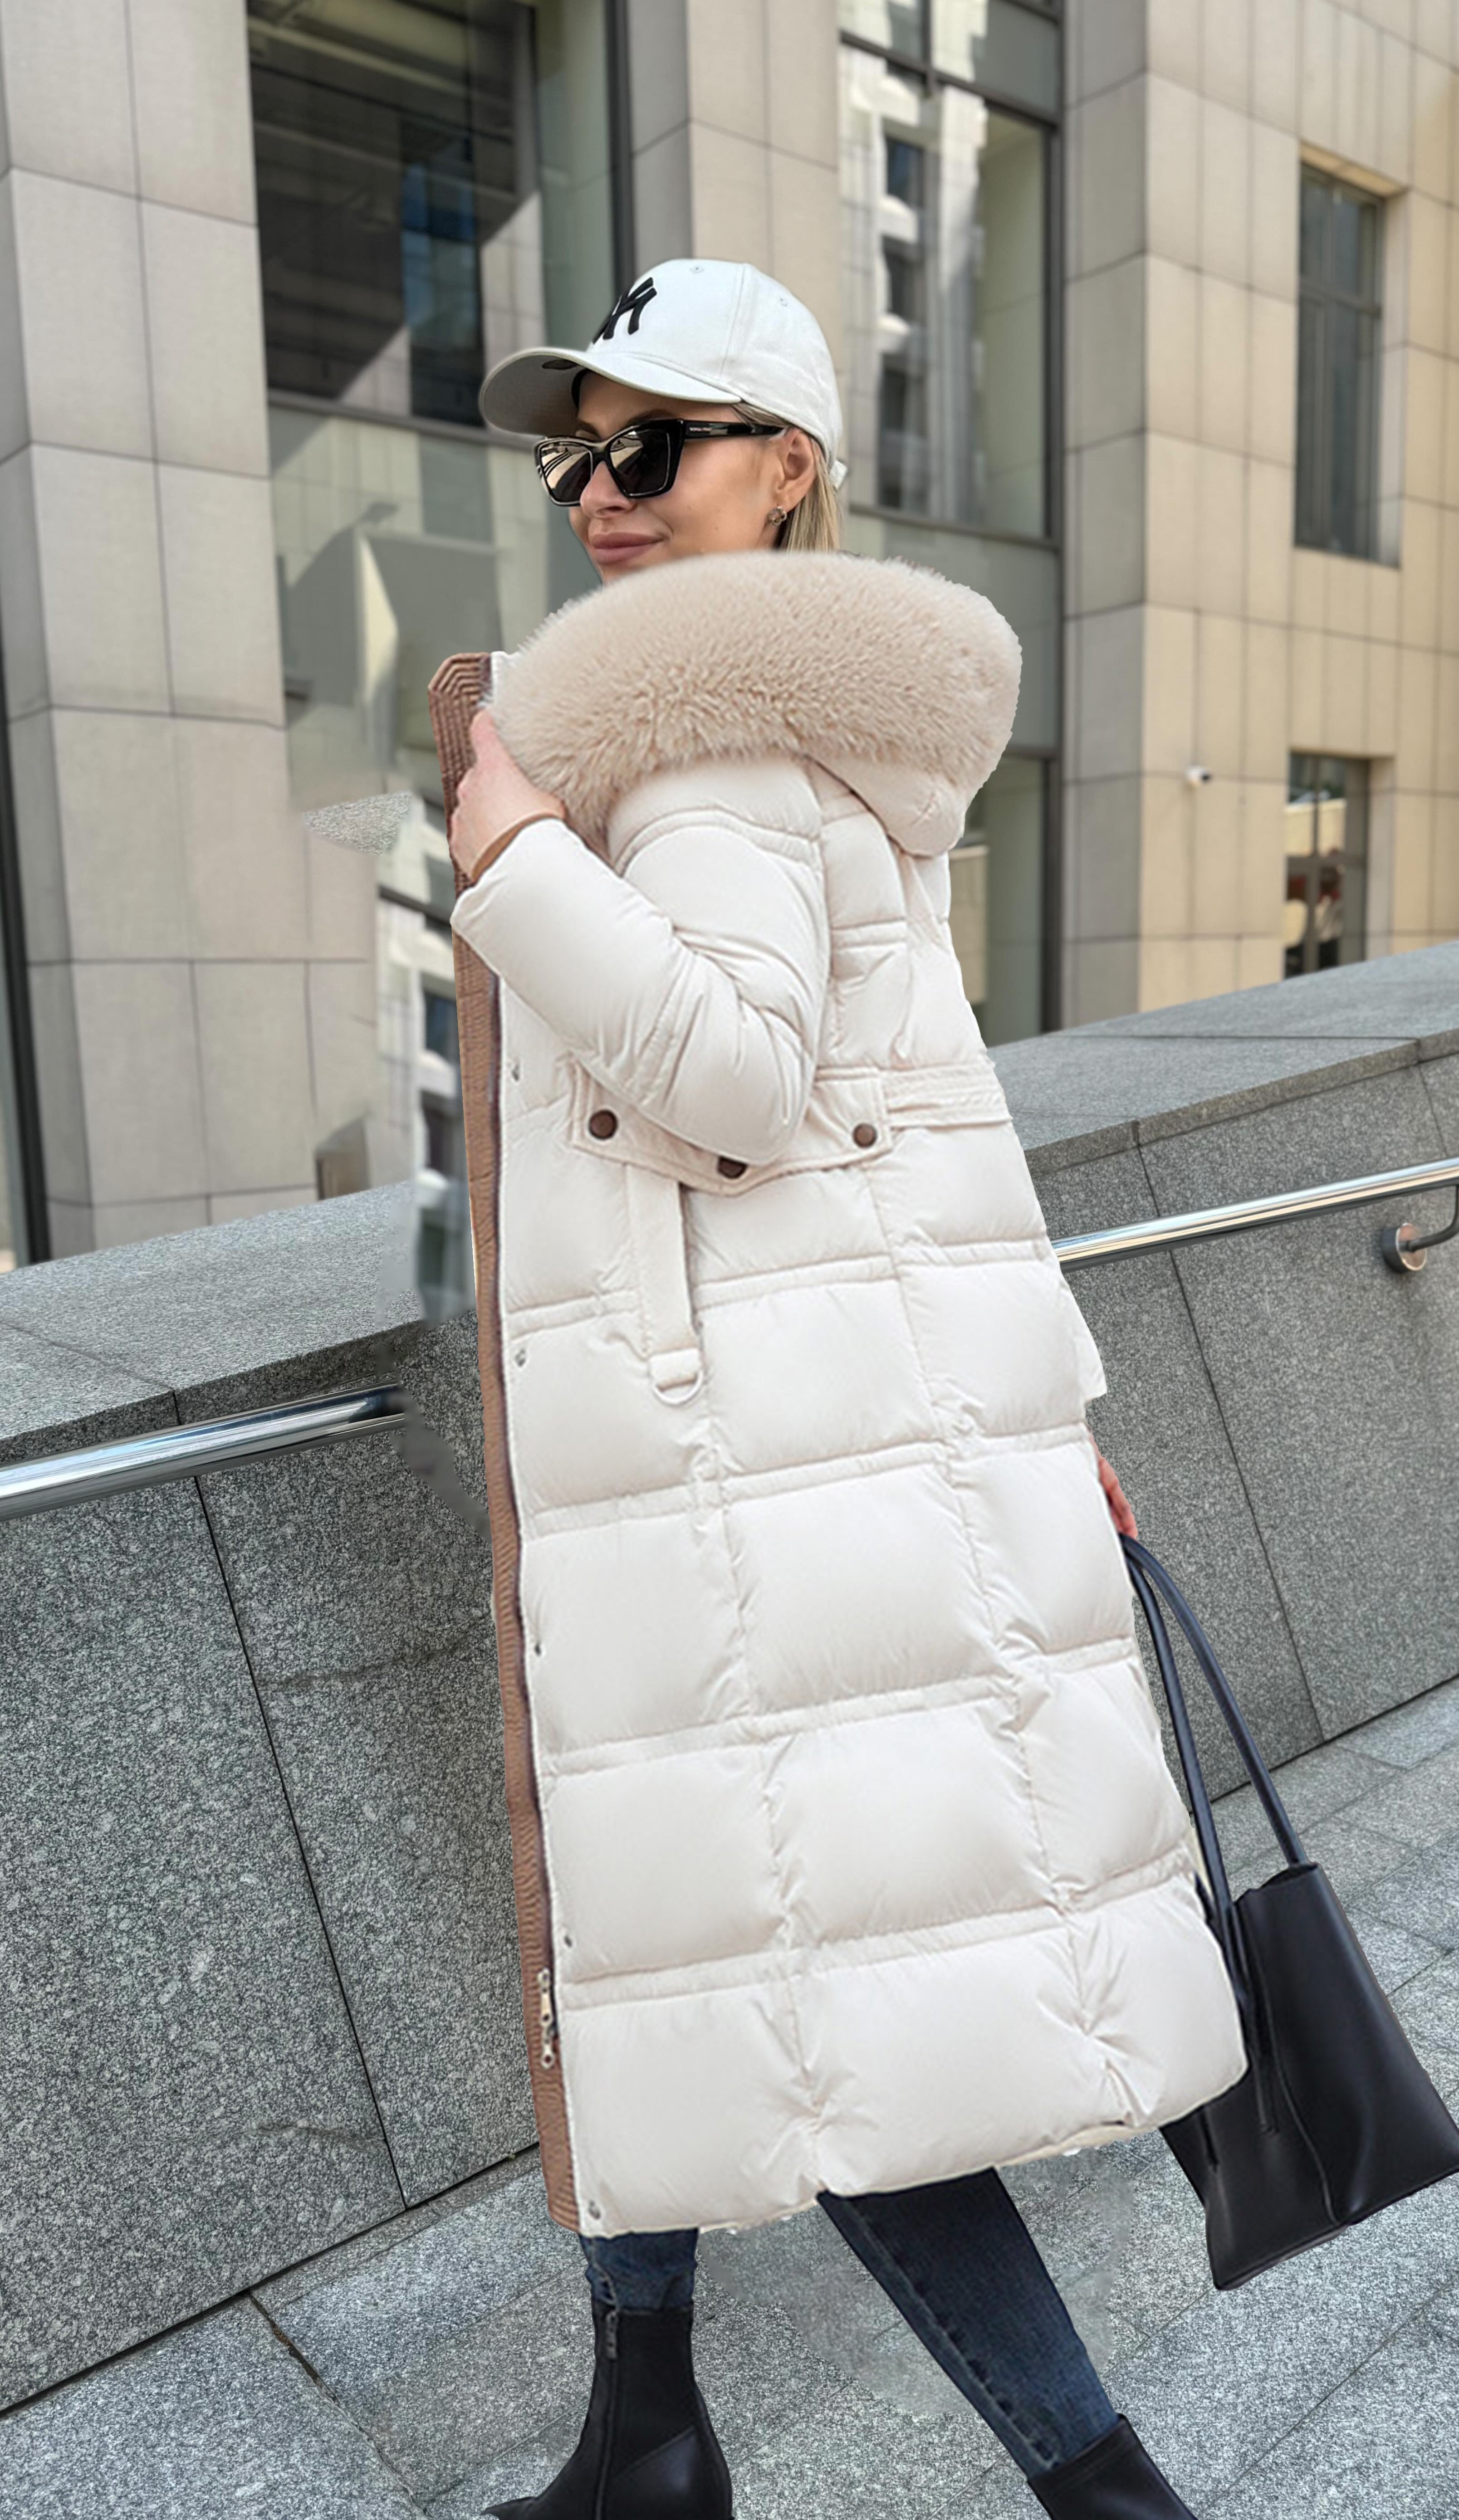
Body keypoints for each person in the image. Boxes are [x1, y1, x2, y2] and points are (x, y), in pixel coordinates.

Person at [441, 259, 1247, 2520]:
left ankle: (1105, 2495)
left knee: (802, 2018)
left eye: (652, 444)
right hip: (781, 1440)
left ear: (786, 469)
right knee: (661, 1956)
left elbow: (734, 1077)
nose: (602, 491)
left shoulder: (703, 731)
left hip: (754, 1478)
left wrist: (509, 852)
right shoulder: (776, 721)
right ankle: (643, 2430)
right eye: (579, 453)